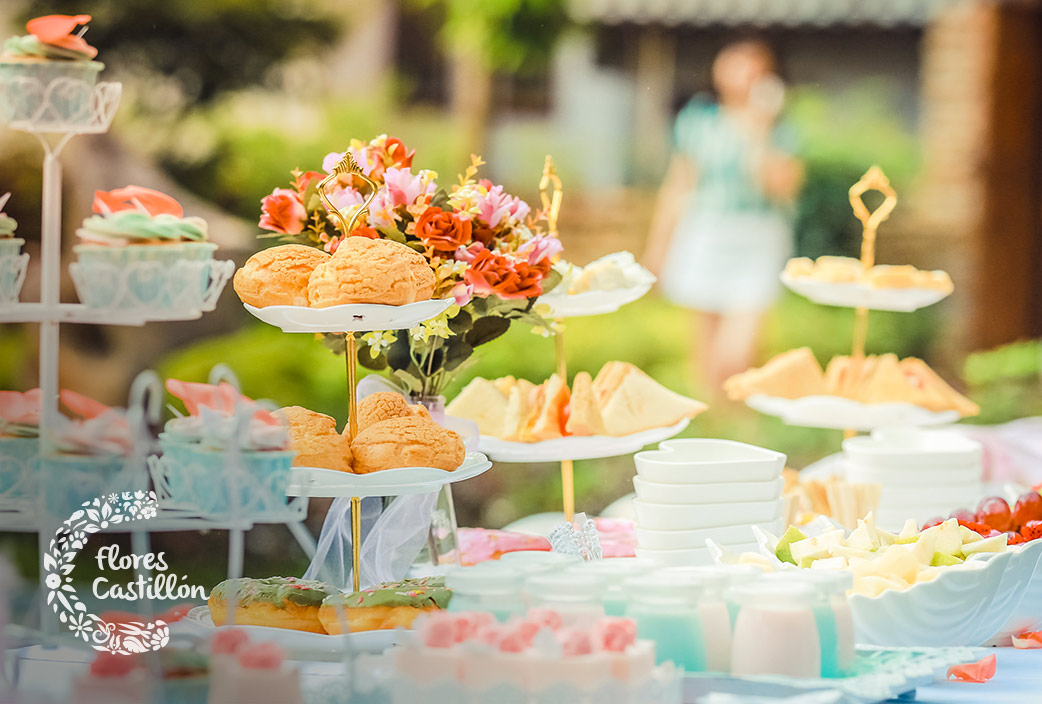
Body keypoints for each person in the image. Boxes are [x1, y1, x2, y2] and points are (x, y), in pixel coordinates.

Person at [644, 40, 803, 397]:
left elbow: (782, 187)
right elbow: (678, 186)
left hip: (757, 237)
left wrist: (759, 131)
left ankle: (741, 422)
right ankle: (718, 426)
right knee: (705, 351)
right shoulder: (700, 119)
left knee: (736, 354)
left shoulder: (780, 129)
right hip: (705, 233)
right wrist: (658, 249)